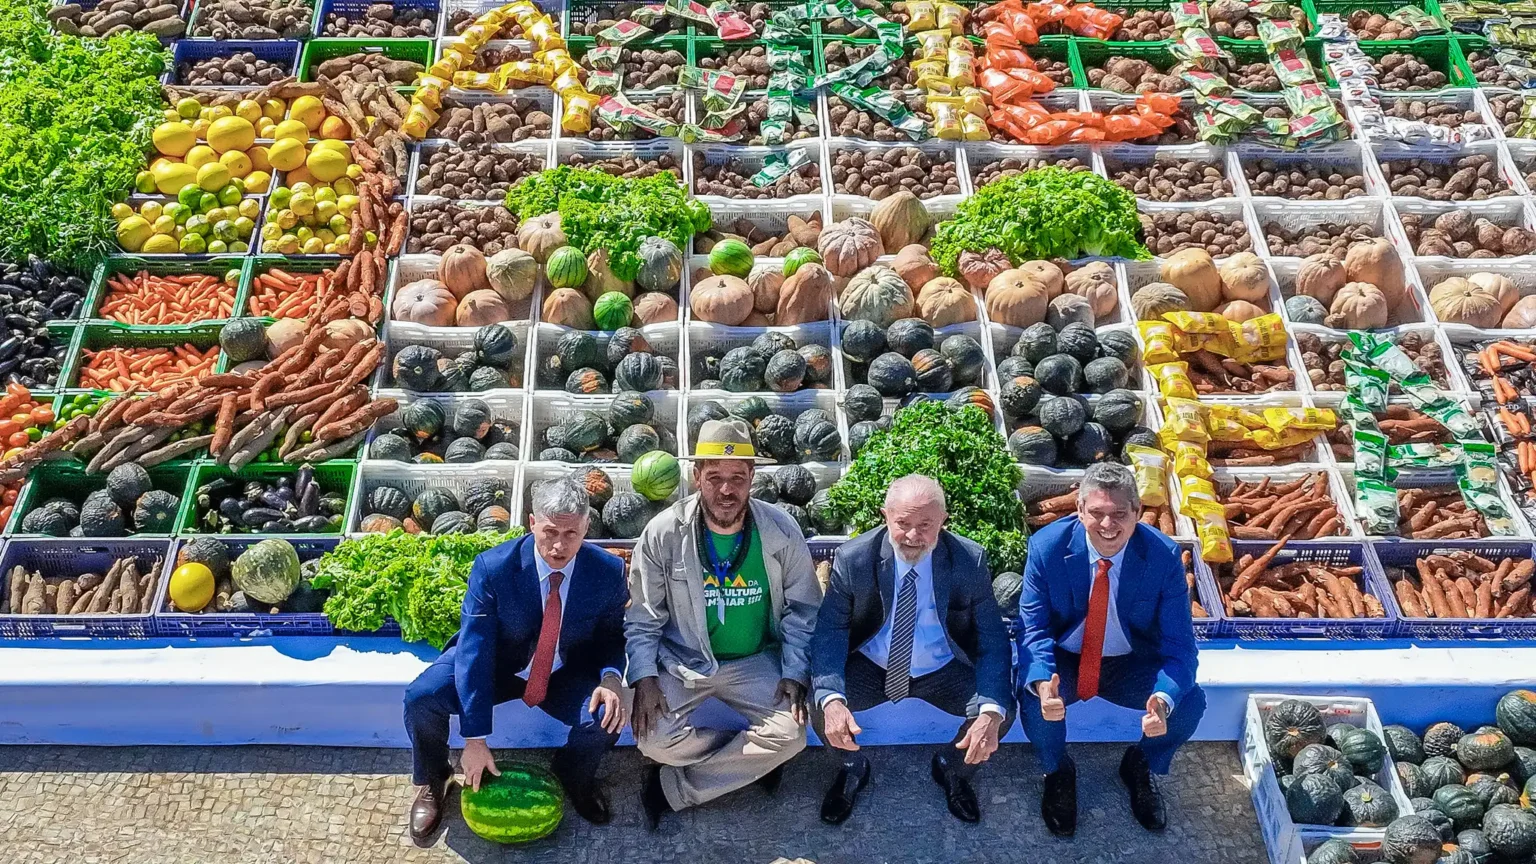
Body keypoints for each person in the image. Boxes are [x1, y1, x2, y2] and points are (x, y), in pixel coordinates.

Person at [402, 479, 629, 843]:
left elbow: (611, 636)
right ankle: (433, 779)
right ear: (531, 522)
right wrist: (474, 739)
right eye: (550, 531)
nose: (559, 545)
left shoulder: (607, 572)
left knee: (608, 714)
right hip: (496, 667)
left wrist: (611, 678)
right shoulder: (494, 569)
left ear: (588, 526)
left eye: (572, 533)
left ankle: (572, 774)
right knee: (422, 696)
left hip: (562, 672)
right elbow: (474, 651)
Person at [625, 418, 822, 830]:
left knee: (793, 735)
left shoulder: (781, 530)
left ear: (752, 477)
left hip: (756, 661)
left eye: (737, 477)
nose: (727, 490)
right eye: (714, 477)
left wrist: (795, 669)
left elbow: (804, 609)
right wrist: (644, 677)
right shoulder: (663, 533)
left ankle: (674, 789)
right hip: (685, 662)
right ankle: (753, 762)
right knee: (652, 740)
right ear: (696, 475)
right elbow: (643, 614)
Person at [810, 474, 1014, 826]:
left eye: (926, 525)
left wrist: (990, 711)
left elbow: (992, 639)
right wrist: (831, 699)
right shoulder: (854, 558)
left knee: (1000, 713)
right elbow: (831, 631)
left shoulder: (969, 559)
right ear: (885, 515)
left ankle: (953, 768)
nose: (913, 536)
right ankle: (852, 768)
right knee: (820, 705)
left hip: (942, 669)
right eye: (902, 523)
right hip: (873, 665)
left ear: (943, 522)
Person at [1016, 461, 1205, 837]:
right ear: (1080, 510)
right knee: (1036, 705)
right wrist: (1041, 681)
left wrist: (1164, 698)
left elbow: (1180, 646)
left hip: (1130, 662)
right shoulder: (1046, 548)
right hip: (1066, 660)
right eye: (1097, 513)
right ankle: (1057, 771)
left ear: (1137, 512)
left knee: (1190, 703)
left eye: (1120, 514)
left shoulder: (1163, 556)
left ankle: (1140, 765)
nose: (1108, 525)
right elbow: (1032, 628)